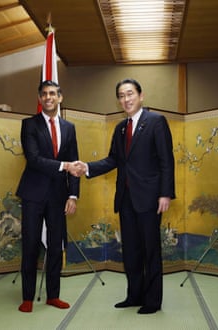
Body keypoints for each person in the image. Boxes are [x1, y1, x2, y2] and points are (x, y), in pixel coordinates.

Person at [73, 78, 175, 314]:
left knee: (150, 250)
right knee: (130, 251)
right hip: (126, 199)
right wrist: (86, 167)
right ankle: (134, 295)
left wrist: (165, 193)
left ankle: (152, 301)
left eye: (130, 94)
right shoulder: (120, 128)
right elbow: (113, 160)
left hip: (150, 198)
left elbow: (166, 161)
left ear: (141, 96)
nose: (126, 99)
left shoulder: (156, 122)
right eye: (121, 95)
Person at [16, 80, 80, 313]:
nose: (48, 97)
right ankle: (28, 297)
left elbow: (75, 163)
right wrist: (63, 165)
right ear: (39, 99)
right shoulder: (29, 125)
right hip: (32, 194)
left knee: (55, 247)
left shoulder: (70, 128)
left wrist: (73, 195)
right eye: (44, 94)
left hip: (58, 197)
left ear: (60, 97)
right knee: (31, 246)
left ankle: (53, 295)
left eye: (52, 93)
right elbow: (33, 159)